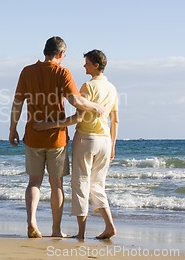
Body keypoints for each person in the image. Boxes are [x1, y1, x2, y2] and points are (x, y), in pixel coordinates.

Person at [9, 37, 105, 238]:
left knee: (34, 182)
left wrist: (13, 128)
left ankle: (32, 221)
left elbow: (17, 102)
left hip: (33, 134)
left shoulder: (27, 71)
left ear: (45, 51)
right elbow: (75, 100)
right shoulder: (62, 72)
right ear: (61, 54)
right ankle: (55, 229)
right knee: (56, 184)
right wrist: (96, 107)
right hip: (56, 139)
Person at [34, 49, 119, 240]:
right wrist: (113, 145)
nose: (84, 66)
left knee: (80, 184)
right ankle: (109, 225)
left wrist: (48, 124)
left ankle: (81, 233)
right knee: (97, 185)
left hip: (86, 139)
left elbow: (77, 117)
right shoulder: (112, 88)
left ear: (96, 65)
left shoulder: (87, 87)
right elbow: (115, 121)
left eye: (87, 63)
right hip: (105, 141)